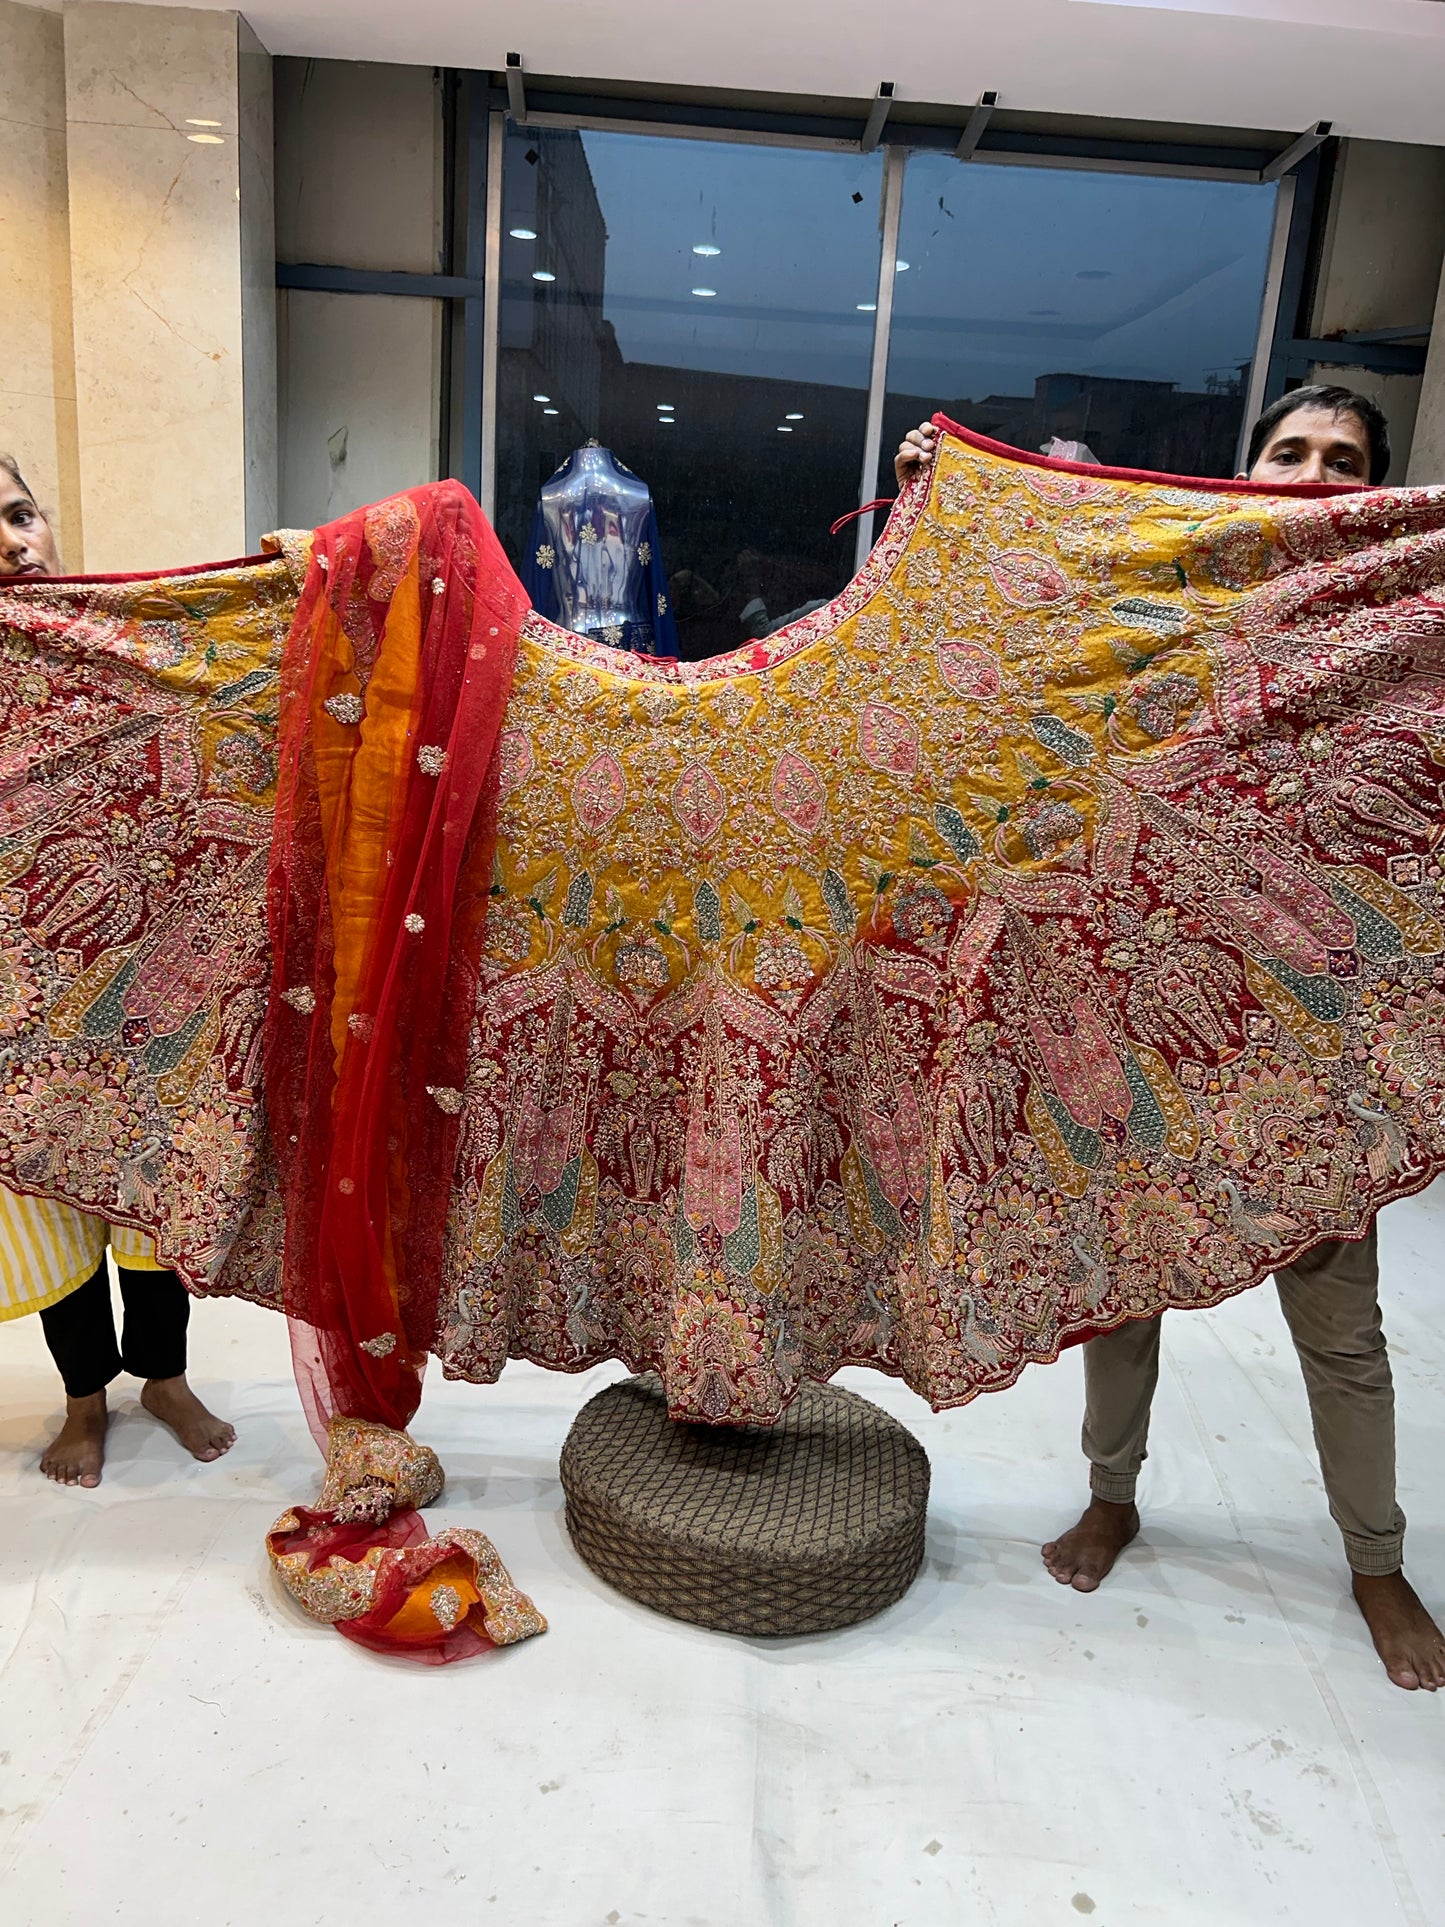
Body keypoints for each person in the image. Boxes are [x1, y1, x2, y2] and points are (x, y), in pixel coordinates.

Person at [0, 455, 235, 1486]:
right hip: (17, 1012)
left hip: (142, 983)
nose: (12, 541)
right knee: (48, 1211)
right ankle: (84, 1400)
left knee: (156, 1202)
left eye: (17, 513)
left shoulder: (120, 649)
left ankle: (166, 1379)